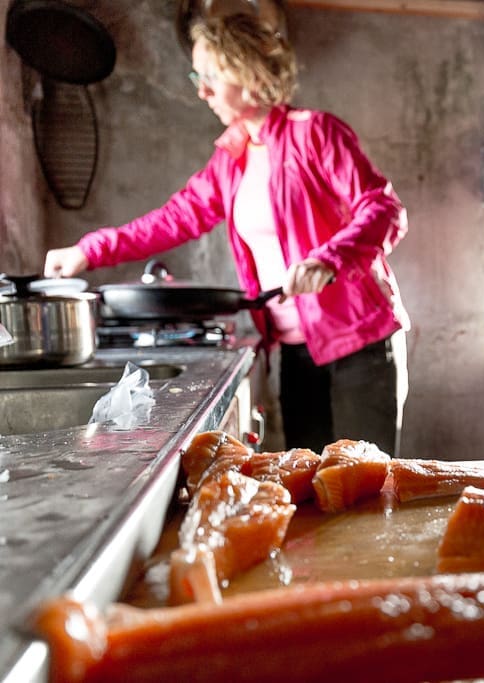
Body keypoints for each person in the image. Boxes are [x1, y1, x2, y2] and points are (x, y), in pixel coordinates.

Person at [44, 14, 409, 455]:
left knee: (366, 480)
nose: (203, 91)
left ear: (249, 73)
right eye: (197, 77)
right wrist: (88, 250)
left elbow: (383, 208)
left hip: (360, 345)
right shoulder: (231, 158)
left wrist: (328, 258)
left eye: (211, 77)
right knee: (309, 481)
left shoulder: (315, 133)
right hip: (295, 351)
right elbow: (175, 218)